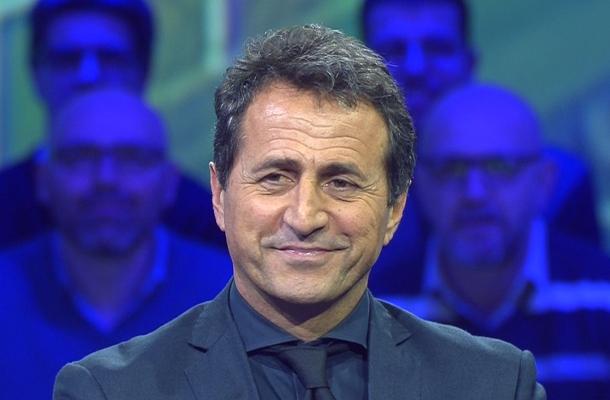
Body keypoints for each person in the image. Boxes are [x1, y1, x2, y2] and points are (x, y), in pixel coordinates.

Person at [53, 25, 545, 400]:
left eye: (341, 182)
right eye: (275, 177)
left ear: (394, 210)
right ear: (220, 195)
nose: (305, 216)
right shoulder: (110, 391)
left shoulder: (496, 385)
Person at [378, 83, 610, 399]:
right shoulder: (379, 309)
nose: (474, 193)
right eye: (452, 168)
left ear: (544, 183)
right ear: (416, 185)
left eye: (501, 167)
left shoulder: (602, 296)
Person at [0, 88, 233, 399]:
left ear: (169, 183)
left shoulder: (231, 292)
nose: (106, 179)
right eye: (81, 157)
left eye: (132, 158)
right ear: (42, 180)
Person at [361, 0, 600, 293]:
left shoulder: (562, 183)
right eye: (393, 50)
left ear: (469, 62)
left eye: (437, 48)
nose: (416, 67)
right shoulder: (339, 182)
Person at [0, 0, 225, 249]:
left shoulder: (202, 221)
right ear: (35, 74)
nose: (88, 76)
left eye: (110, 59)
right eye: (67, 60)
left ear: (143, 73)